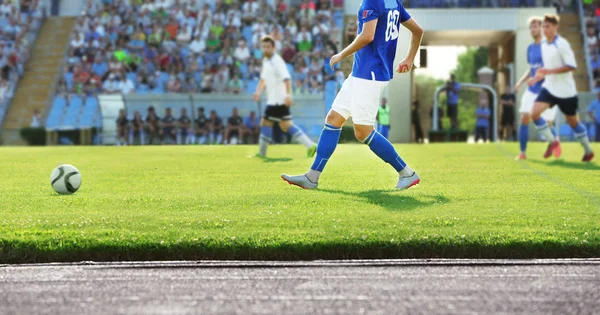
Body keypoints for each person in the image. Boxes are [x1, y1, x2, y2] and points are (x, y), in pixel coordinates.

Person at [281, 0, 423, 190]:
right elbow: (418, 30)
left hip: (369, 75)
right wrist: (409, 58)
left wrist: (340, 55)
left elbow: (367, 36)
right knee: (333, 119)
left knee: (363, 132)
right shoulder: (393, 1)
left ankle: (407, 173)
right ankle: (312, 177)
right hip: (360, 74)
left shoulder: (372, 2)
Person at [529, 14, 594, 162]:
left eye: (547, 26)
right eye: (543, 26)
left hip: (566, 92)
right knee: (534, 113)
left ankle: (588, 150)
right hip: (550, 88)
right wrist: (537, 77)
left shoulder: (562, 44)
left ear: (555, 27)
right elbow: (548, 67)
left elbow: (571, 66)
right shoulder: (544, 45)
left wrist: (549, 72)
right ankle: (553, 141)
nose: (544, 29)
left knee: (573, 122)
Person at [253, 35, 316, 158]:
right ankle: (310, 145)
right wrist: (257, 92)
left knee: (266, 122)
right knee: (286, 125)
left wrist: (288, 95)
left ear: (273, 48)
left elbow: (287, 79)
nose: (265, 49)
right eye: (264, 47)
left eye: (268, 47)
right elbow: (263, 79)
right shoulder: (266, 61)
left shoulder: (277, 61)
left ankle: (261, 153)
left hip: (277, 100)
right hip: (275, 99)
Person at [514, 16, 559, 160]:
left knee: (546, 123)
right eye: (531, 27)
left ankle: (553, 141)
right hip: (532, 90)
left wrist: (537, 78)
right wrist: (520, 82)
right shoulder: (530, 48)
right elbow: (531, 69)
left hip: (547, 89)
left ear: (542, 28)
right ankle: (522, 153)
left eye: (536, 26)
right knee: (525, 117)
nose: (533, 29)